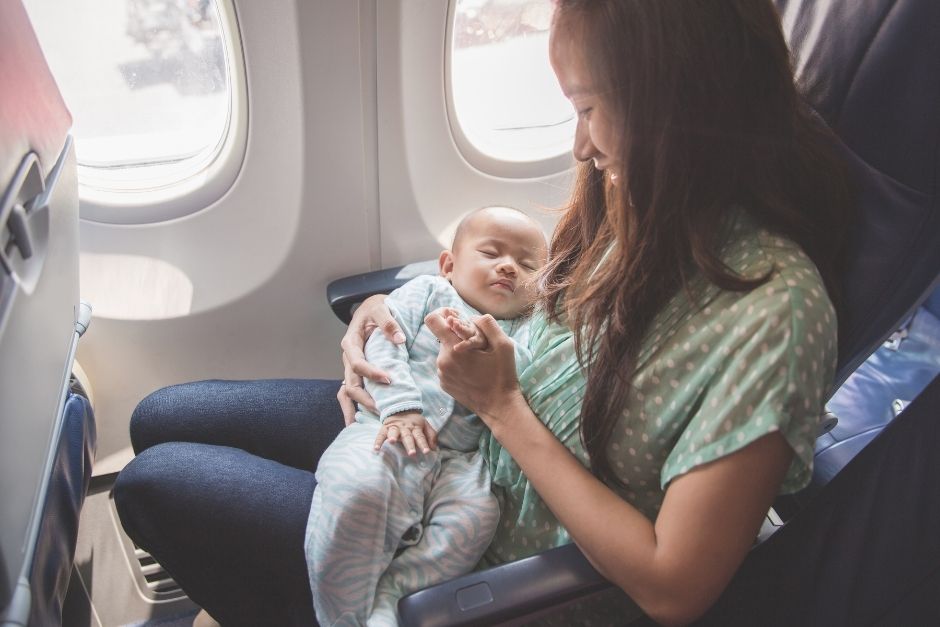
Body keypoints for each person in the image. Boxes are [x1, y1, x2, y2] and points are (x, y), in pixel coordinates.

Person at [112, 2, 861, 626]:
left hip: (480, 530)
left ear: (674, 106)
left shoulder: (776, 314)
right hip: (447, 417)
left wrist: (502, 406)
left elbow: (674, 585)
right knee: (162, 414)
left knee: (156, 481)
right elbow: (526, 295)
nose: (579, 144)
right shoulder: (647, 195)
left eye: (590, 108)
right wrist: (386, 310)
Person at [308, 206, 546, 625]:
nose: (509, 266)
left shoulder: (524, 327)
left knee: (476, 520)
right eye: (492, 253)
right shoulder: (428, 292)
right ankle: (342, 617)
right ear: (449, 265)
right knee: (356, 489)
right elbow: (385, 344)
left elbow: (523, 371)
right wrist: (403, 408)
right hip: (389, 428)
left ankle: (394, 593)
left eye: (527, 265)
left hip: (462, 460)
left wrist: (490, 345)